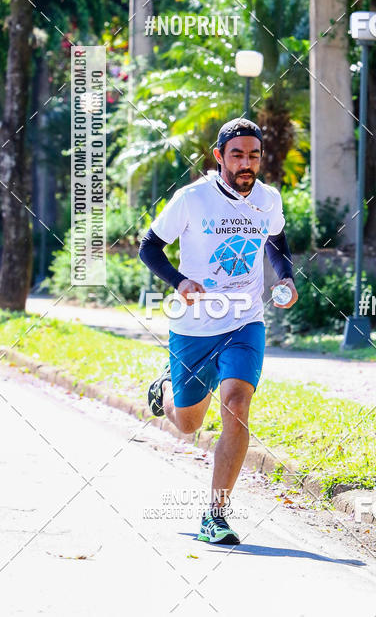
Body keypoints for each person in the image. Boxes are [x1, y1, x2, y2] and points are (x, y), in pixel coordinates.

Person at [139, 117, 298, 544]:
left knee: (236, 402)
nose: (247, 163)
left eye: (254, 155)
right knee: (188, 424)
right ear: (219, 157)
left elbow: (277, 244)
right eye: (237, 155)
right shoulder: (191, 199)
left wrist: (285, 278)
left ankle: (217, 514)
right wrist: (179, 281)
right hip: (193, 326)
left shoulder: (268, 199)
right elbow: (148, 247)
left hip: (244, 320)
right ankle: (167, 391)